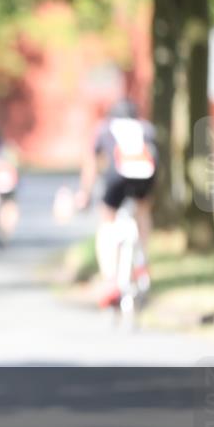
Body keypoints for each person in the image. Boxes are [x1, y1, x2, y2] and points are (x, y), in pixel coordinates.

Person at [76, 98, 157, 307]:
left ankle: (110, 278)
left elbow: (92, 163)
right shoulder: (146, 128)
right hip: (145, 176)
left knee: (107, 220)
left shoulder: (105, 129)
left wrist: (85, 193)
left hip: (117, 176)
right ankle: (143, 261)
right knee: (143, 212)